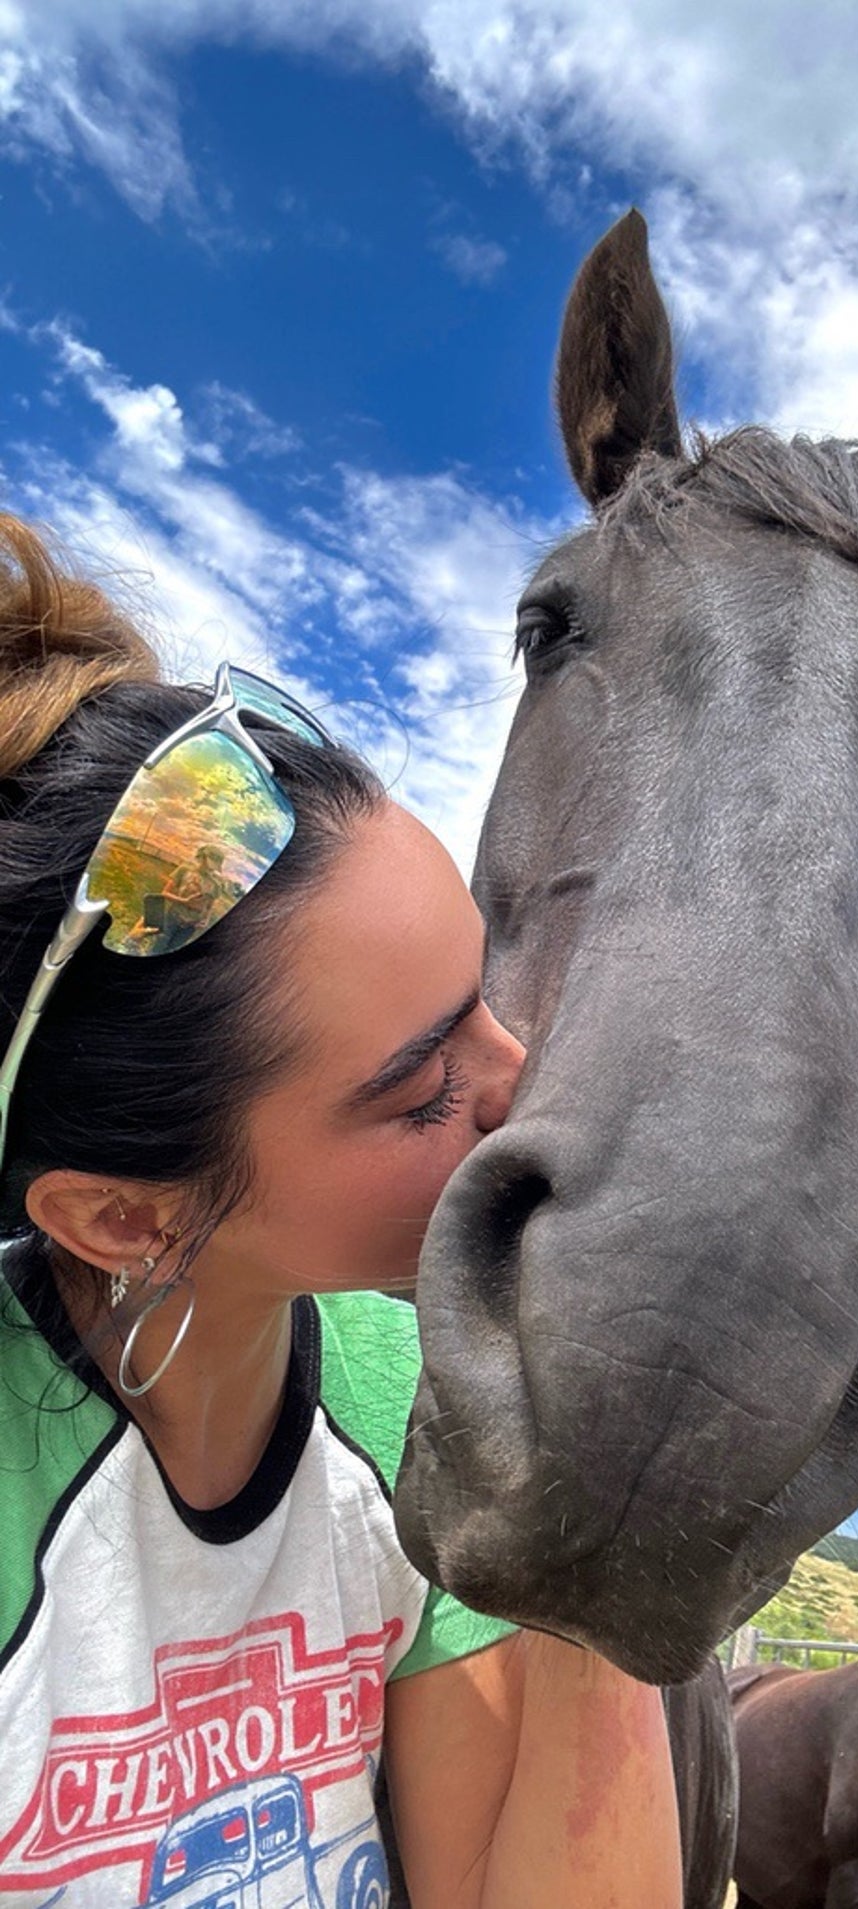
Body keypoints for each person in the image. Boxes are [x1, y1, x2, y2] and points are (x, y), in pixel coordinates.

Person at [0, 514, 683, 1907]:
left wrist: (592, 1509)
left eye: (487, 998)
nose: (527, 1090)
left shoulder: (404, 1407)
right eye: (426, 1087)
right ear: (126, 1217)